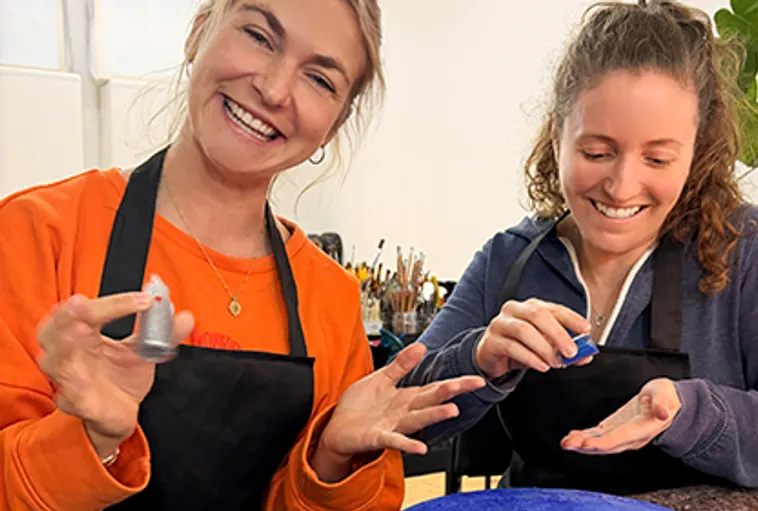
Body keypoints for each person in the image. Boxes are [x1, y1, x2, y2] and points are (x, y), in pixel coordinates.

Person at [0, 0, 485, 509]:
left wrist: (332, 461)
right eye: (258, 35)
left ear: (334, 125)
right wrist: (90, 442)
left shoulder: (332, 297)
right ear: (198, 33)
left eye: (320, 80)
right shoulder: (38, 234)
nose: (274, 90)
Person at [400, 0, 758, 496]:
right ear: (557, 136)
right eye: (597, 153)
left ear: (696, 151)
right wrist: (479, 359)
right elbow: (397, 411)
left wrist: (691, 415)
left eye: (658, 159)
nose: (622, 187)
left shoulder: (747, 251)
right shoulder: (507, 261)